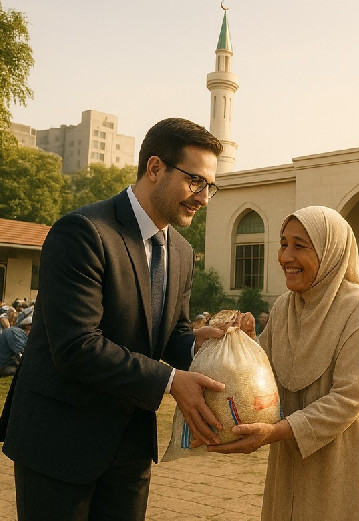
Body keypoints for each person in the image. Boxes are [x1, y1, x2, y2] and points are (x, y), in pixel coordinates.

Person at [1, 118, 231, 521]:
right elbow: (77, 347)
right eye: (195, 181)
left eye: (210, 186)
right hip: (60, 443)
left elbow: (170, 335)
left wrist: (198, 342)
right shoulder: (84, 232)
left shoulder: (178, 250)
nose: (204, 198)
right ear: (155, 168)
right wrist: (171, 380)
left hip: (130, 447)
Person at [207, 206, 359, 520]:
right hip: (292, 449)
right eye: (283, 244)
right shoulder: (284, 307)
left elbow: (348, 398)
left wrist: (277, 431)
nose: (285, 257)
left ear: (331, 251)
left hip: (346, 454)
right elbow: (267, 376)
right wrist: (248, 345)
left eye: (300, 246)